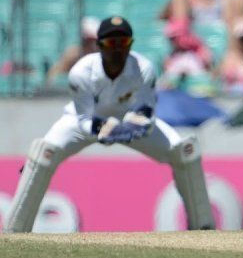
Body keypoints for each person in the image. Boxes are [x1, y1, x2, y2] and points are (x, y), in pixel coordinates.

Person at [5, 16, 215, 232]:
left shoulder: (143, 68)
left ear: (130, 44)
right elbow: (84, 119)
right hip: (83, 122)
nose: (116, 50)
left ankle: (203, 228)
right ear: (98, 46)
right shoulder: (81, 72)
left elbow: (146, 112)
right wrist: (105, 129)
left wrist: (134, 127)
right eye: (110, 43)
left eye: (122, 43)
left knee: (185, 151)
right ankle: (16, 230)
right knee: (44, 152)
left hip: (128, 119)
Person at [45, 16, 101, 87]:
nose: (93, 44)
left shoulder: (102, 55)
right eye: (89, 40)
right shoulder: (74, 54)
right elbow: (53, 76)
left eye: (95, 40)